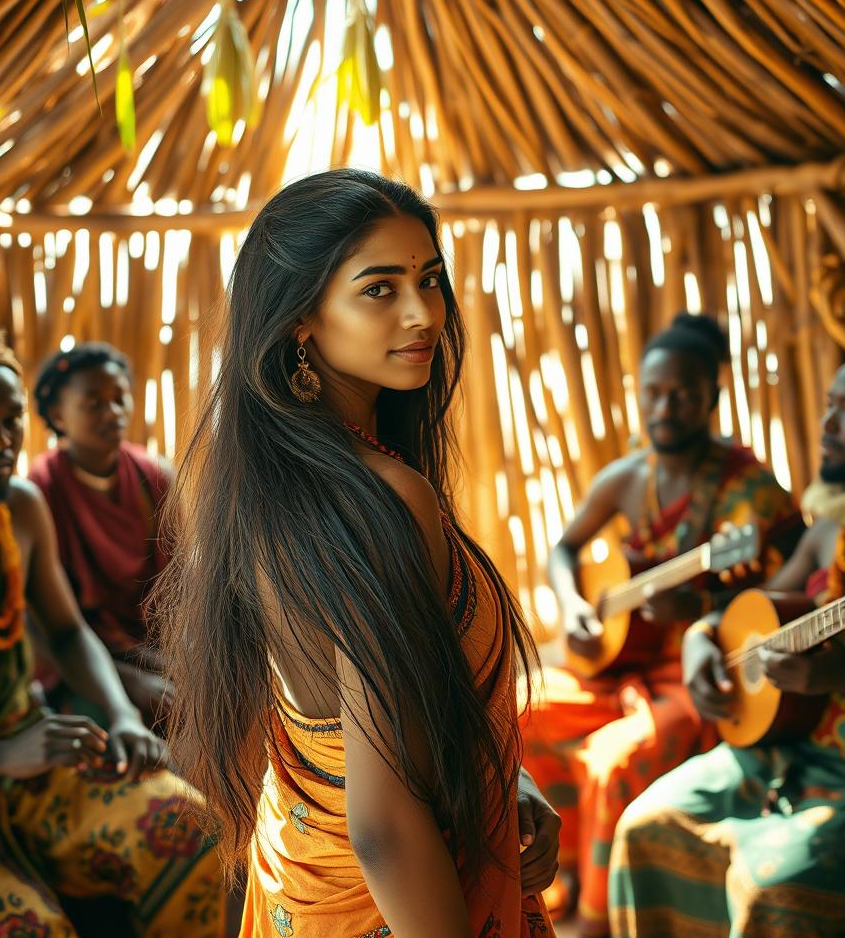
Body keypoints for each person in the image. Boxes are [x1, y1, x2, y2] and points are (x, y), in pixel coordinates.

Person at [153, 168, 560, 938]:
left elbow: (364, 716)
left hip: (302, 889)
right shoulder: (378, 499)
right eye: (379, 288)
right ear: (301, 318)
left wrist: (504, 780)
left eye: (430, 279)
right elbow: (383, 821)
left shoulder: (265, 488)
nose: (422, 313)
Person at [0, 331, 226, 938]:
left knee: (192, 829)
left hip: (35, 759)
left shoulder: (19, 509)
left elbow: (69, 635)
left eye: (10, 421)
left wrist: (121, 715)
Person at [609, 346, 845, 938]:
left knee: (772, 889)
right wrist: (701, 637)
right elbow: (746, 613)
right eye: (829, 405)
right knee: (644, 822)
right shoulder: (833, 526)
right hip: (784, 748)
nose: (826, 425)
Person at [520, 314, 804, 936]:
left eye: (683, 393)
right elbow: (564, 551)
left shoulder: (748, 491)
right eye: (653, 392)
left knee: (616, 759)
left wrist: (704, 610)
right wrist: (572, 607)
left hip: (706, 673)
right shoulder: (630, 477)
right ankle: (556, 873)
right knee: (521, 708)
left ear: (712, 398)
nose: (665, 406)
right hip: (623, 663)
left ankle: (599, 919)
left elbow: (797, 593)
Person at [29, 343, 172, 730]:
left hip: (151, 645)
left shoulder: (153, 476)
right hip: (78, 658)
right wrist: (127, 677)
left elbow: (181, 580)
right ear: (58, 415)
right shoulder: (40, 491)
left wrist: (175, 656)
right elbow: (40, 620)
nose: (113, 412)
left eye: (119, 398)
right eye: (94, 403)